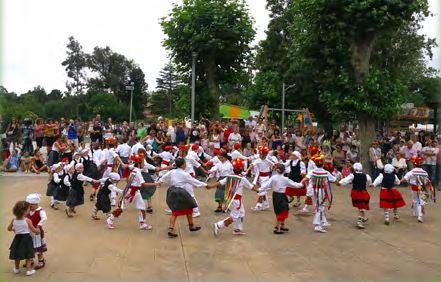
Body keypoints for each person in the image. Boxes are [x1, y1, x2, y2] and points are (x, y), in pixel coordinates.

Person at [159, 158, 216, 238]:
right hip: (180, 192)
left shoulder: (172, 172)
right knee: (184, 209)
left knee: (181, 209)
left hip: (172, 191)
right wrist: (206, 185)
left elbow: (163, 177)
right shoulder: (184, 174)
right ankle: (179, 228)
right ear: (182, 165)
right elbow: (194, 182)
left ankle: (182, 227)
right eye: (185, 163)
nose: (186, 165)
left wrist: (159, 182)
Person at [106, 154, 160, 230]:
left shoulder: (134, 168)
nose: (143, 164)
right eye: (142, 162)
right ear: (139, 163)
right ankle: (110, 220)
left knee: (142, 207)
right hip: (131, 192)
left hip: (135, 191)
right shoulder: (137, 172)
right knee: (121, 208)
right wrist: (156, 183)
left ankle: (142, 224)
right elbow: (143, 184)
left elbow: (130, 168)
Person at [211, 158, 259, 236]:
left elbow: (219, 183)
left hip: (230, 199)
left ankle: (237, 229)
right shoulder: (242, 179)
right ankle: (218, 225)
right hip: (236, 200)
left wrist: (210, 186)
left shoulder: (229, 177)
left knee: (241, 213)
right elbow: (251, 187)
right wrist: (257, 190)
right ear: (241, 168)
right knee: (234, 217)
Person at [259, 163, 304, 234]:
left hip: (276, 195)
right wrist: (302, 183)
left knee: (281, 210)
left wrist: (259, 189)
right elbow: (294, 185)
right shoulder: (285, 179)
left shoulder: (273, 177)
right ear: (284, 171)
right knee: (283, 211)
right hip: (281, 195)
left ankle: (281, 226)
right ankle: (278, 228)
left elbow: (266, 185)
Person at [304, 154, 337, 233]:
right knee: (320, 207)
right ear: (323, 164)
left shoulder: (312, 171)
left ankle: (323, 221)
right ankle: (317, 225)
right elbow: (334, 180)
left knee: (319, 206)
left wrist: (305, 185)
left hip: (314, 191)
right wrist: (341, 181)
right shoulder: (326, 172)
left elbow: (306, 179)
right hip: (321, 192)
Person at [8, 200, 40, 276]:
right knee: (28, 254)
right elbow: (34, 230)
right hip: (26, 239)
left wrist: (13, 229)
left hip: (17, 238)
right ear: (24, 211)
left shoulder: (14, 220)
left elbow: (9, 228)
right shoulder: (27, 220)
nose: (30, 210)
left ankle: (16, 268)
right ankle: (28, 271)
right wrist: (38, 230)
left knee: (16, 254)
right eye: (29, 209)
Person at [337, 163, 372, 229]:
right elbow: (370, 180)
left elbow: (346, 180)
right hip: (363, 193)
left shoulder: (352, 175)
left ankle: (363, 217)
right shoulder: (366, 176)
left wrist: (339, 183)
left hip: (355, 193)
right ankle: (359, 222)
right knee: (362, 207)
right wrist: (370, 184)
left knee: (360, 206)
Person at [401, 156, 435, 223]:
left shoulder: (412, 171)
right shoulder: (425, 172)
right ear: (421, 164)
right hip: (422, 188)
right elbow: (427, 181)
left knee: (415, 200)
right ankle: (420, 216)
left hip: (414, 188)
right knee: (421, 202)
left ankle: (415, 213)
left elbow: (405, 178)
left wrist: (399, 181)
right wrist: (431, 190)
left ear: (414, 164)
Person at [25, 194, 47, 270]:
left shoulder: (40, 211)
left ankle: (41, 260)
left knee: (38, 247)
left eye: (31, 205)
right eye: (28, 205)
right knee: (29, 247)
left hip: (37, 232)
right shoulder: (27, 211)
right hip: (28, 232)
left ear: (36, 204)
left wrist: (39, 225)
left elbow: (44, 218)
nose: (30, 207)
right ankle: (30, 260)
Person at [250, 145, 274, 211]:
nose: (259, 155)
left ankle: (258, 205)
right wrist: (246, 172)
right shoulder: (258, 160)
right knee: (262, 191)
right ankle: (266, 204)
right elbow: (252, 165)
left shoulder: (268, 160)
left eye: (261, 154)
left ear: (264, 155)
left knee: (261, 191)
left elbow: (274, 165)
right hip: (259, 177)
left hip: (266, 178)